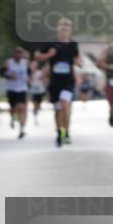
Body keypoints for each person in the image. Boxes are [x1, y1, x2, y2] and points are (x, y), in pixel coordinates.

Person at [34, 17, 82, 147]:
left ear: (70, 31)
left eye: (66, 29)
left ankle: (66, 132)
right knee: (57, 109)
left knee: (65, 104)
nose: (64, 32)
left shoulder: (73, 44)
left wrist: (78, 63)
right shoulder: (50, 43)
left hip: (68, 81)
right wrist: (48, 55)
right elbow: (37, 55)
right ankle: (59, 132)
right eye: (61, 29)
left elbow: (78, 59)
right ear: (57, 29)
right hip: (54, 82)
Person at [3, 47, 31, 139]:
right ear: (14, 54)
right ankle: (12, 117)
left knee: (22, 107)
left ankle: (22, 129)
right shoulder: (8, 62)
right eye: (17, 54)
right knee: (13, 108)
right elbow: (2, 73)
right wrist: (10, 75)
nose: (19, 55)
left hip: (22, 88)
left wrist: (29, 79)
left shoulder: (25, 63)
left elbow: (29, 73)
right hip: (11, 89)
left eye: (20, 54)